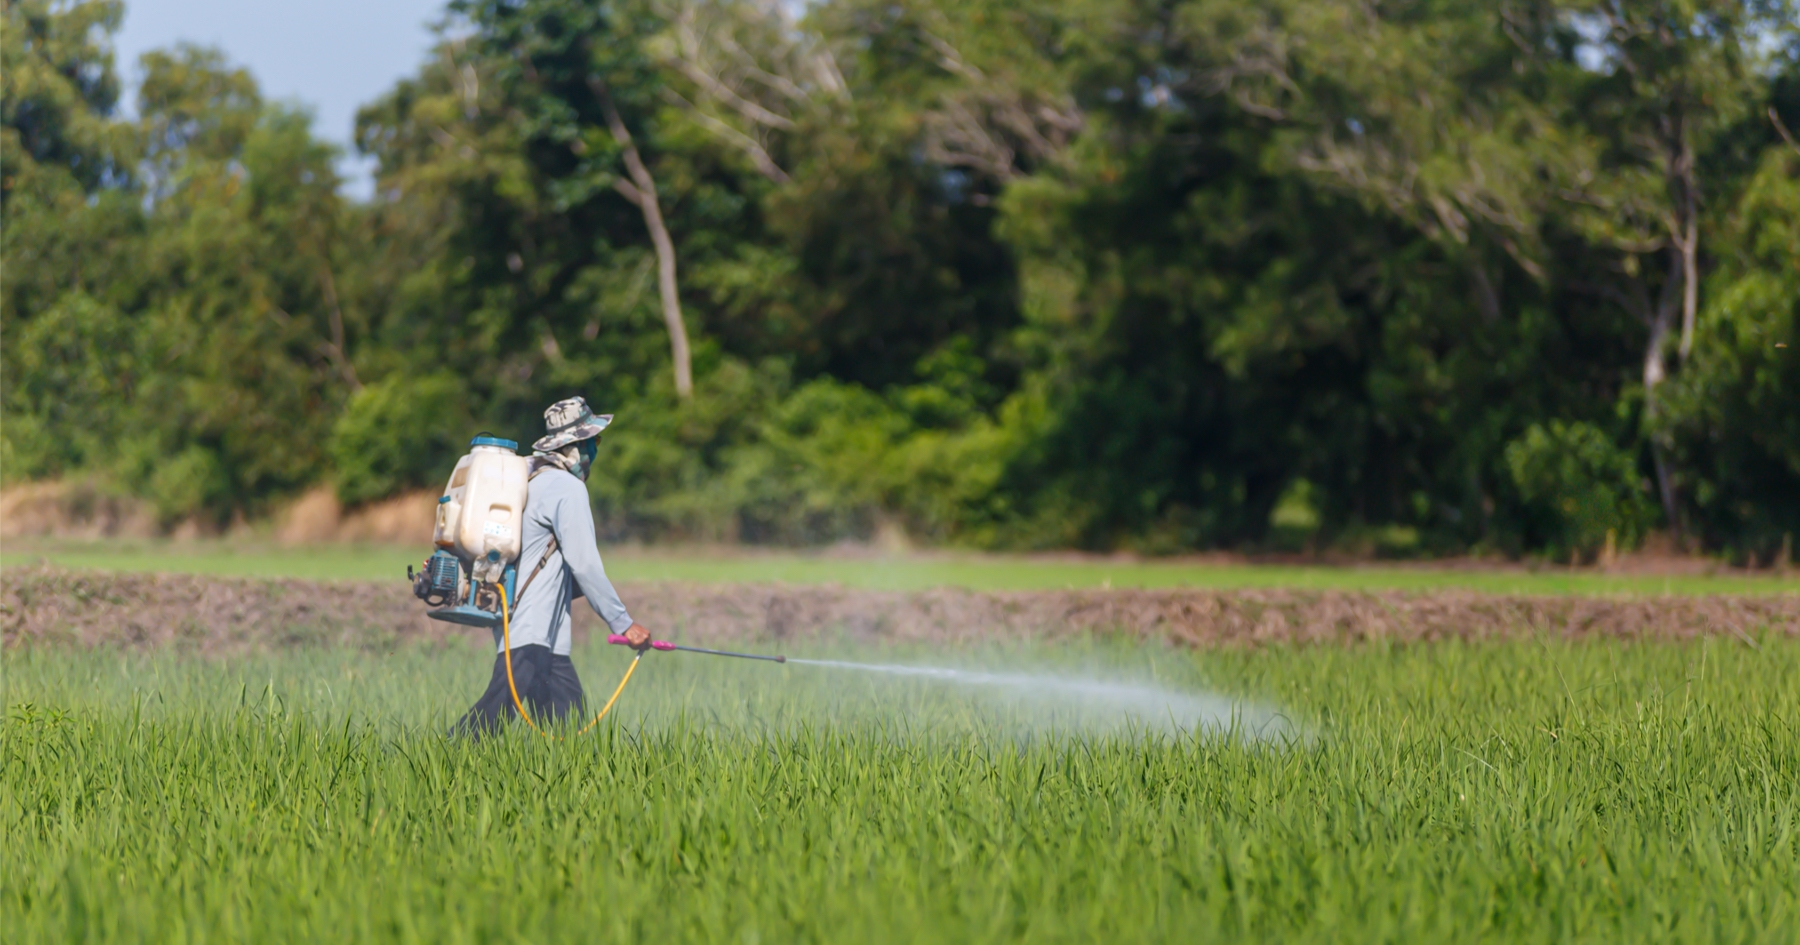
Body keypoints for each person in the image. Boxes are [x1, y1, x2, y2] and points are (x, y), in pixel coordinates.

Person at [454, 396, 651, 735]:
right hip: (530, 628)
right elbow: (585, 564)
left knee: (567, 729)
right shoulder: (566, 488)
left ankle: (569, 769)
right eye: (594, 441)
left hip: (540, 632)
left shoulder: (534, 480)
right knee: (491, 716)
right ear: (576, 447)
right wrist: (624, 623)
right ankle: (442, 755)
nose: (597, 448)